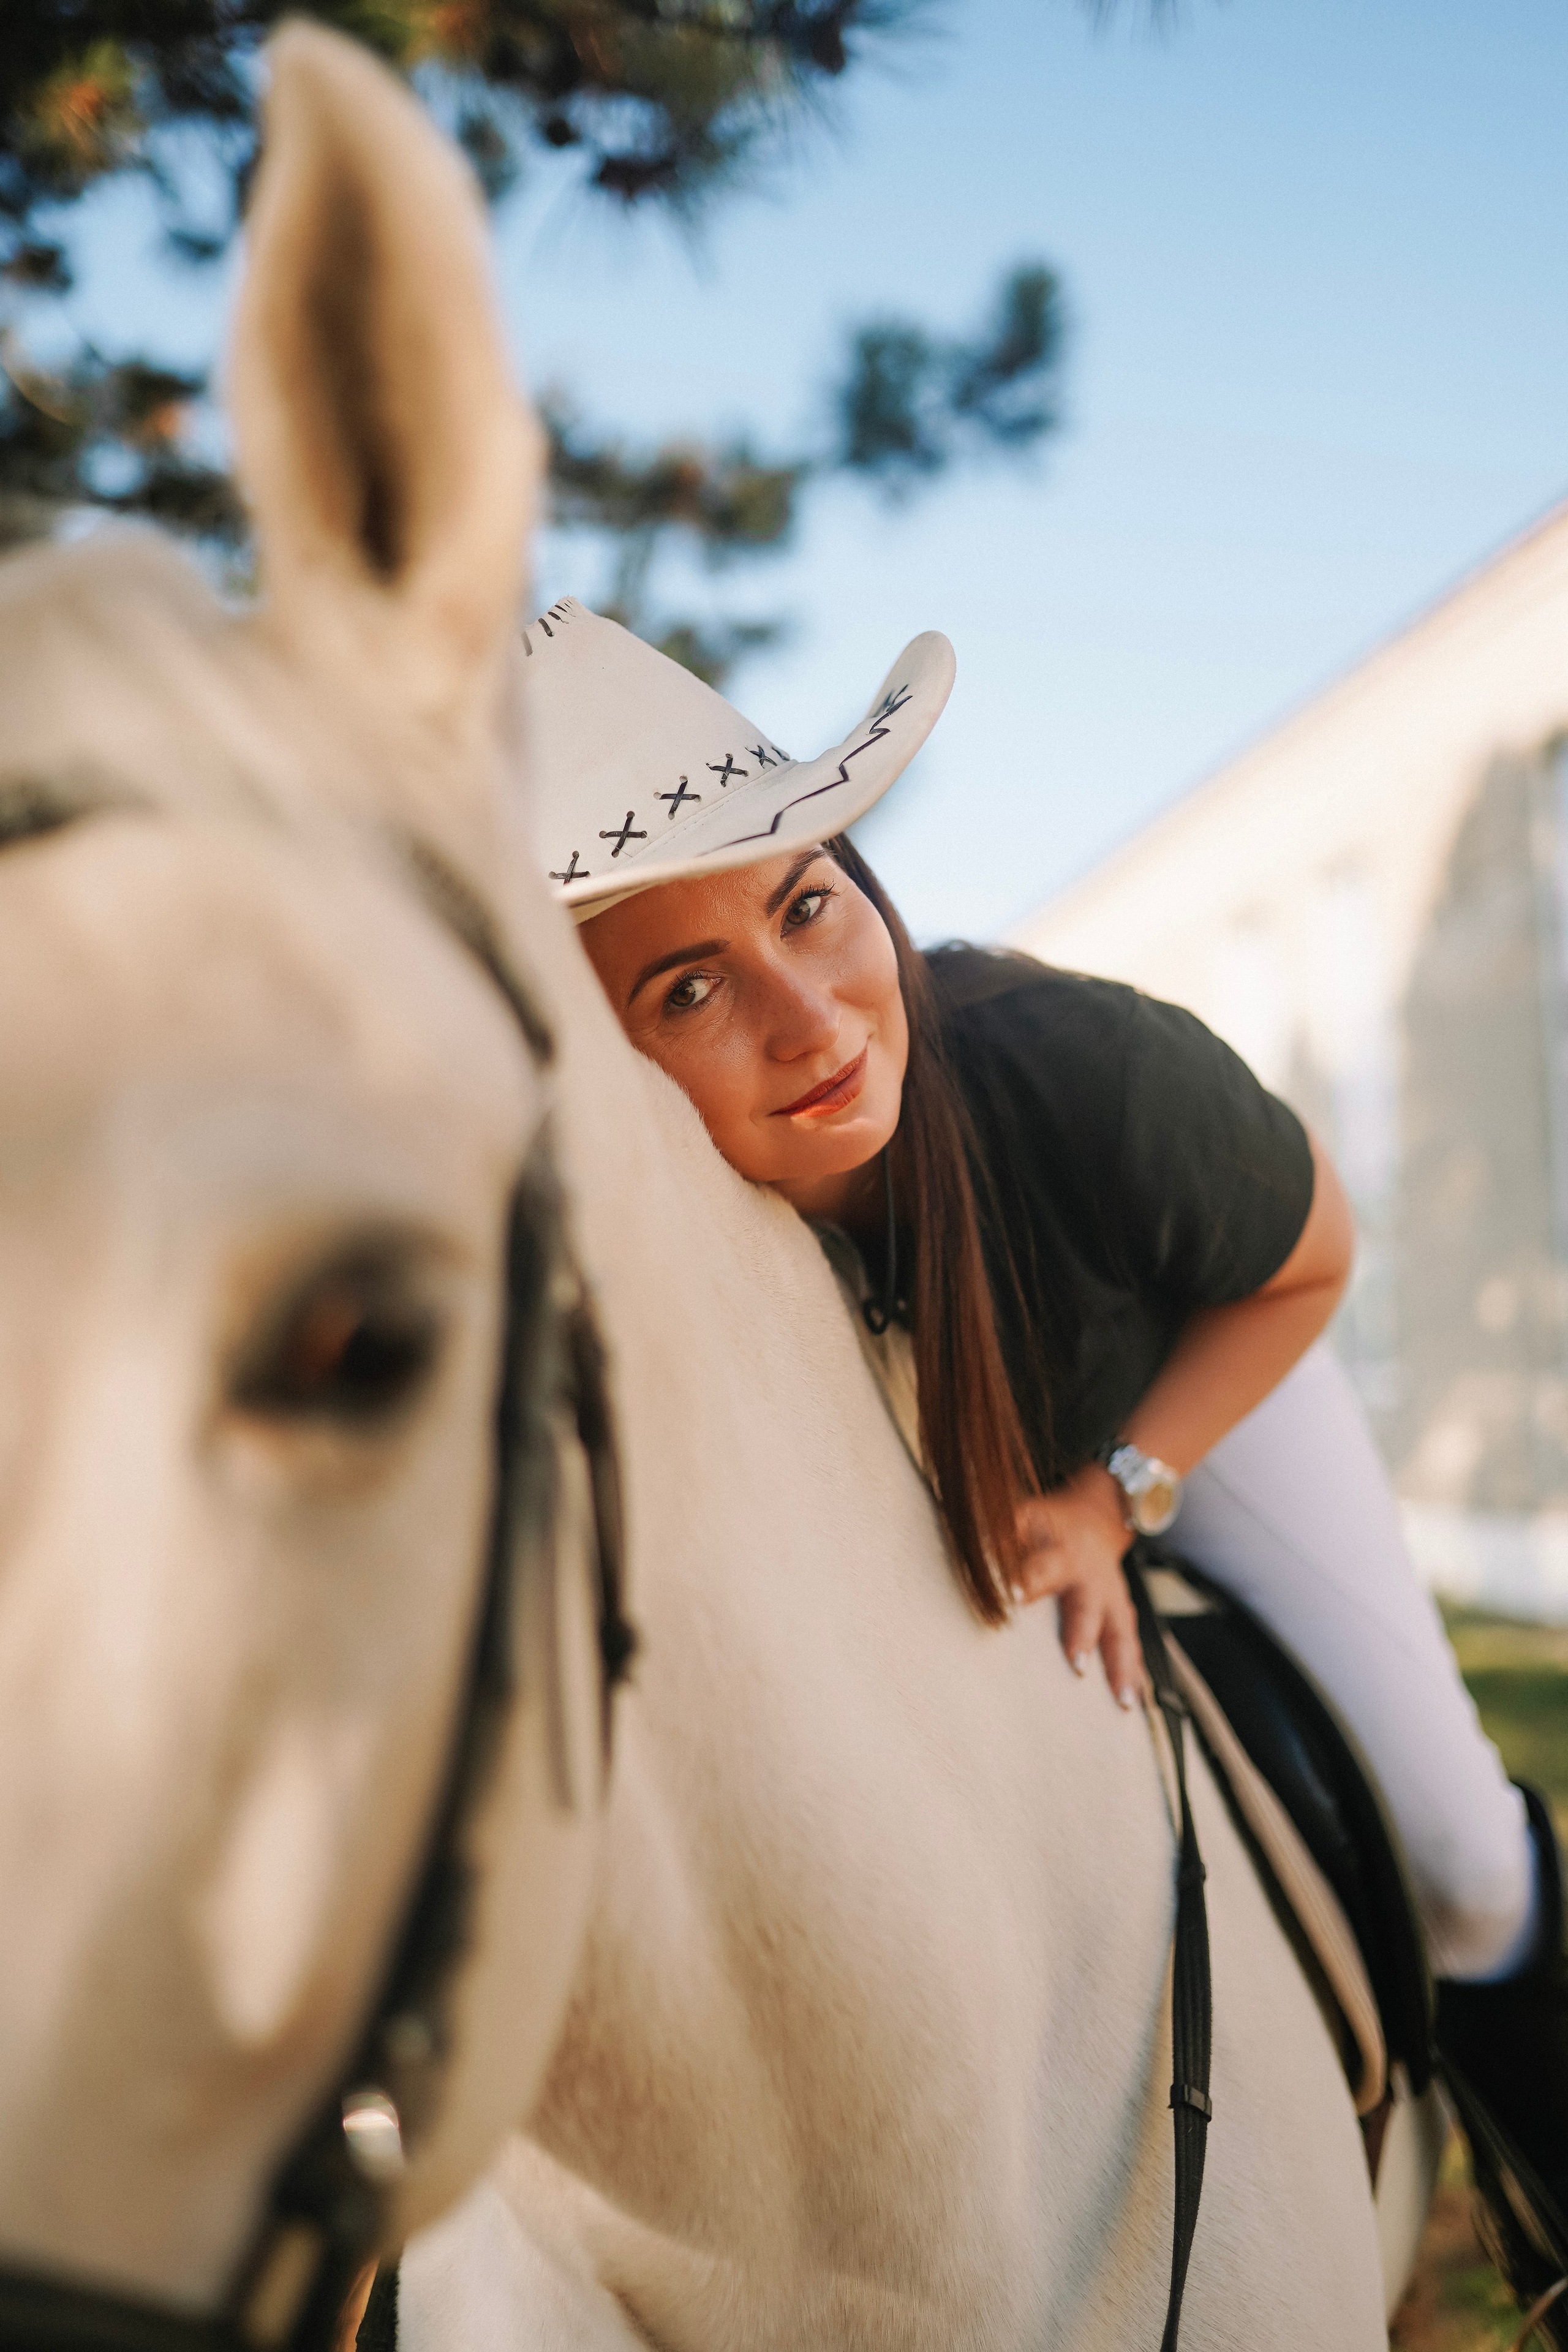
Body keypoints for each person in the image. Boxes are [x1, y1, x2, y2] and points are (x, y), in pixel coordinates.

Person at [522, 594, 1568, 2212]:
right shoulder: (662, 1243)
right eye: (686, 991)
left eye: (806, 907)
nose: (809, 1021)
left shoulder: (1069, 1064)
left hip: (1178, 1386)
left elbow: (1308, 1263)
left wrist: (1122, 1486)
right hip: (964, 1495)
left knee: (1462, 1855)